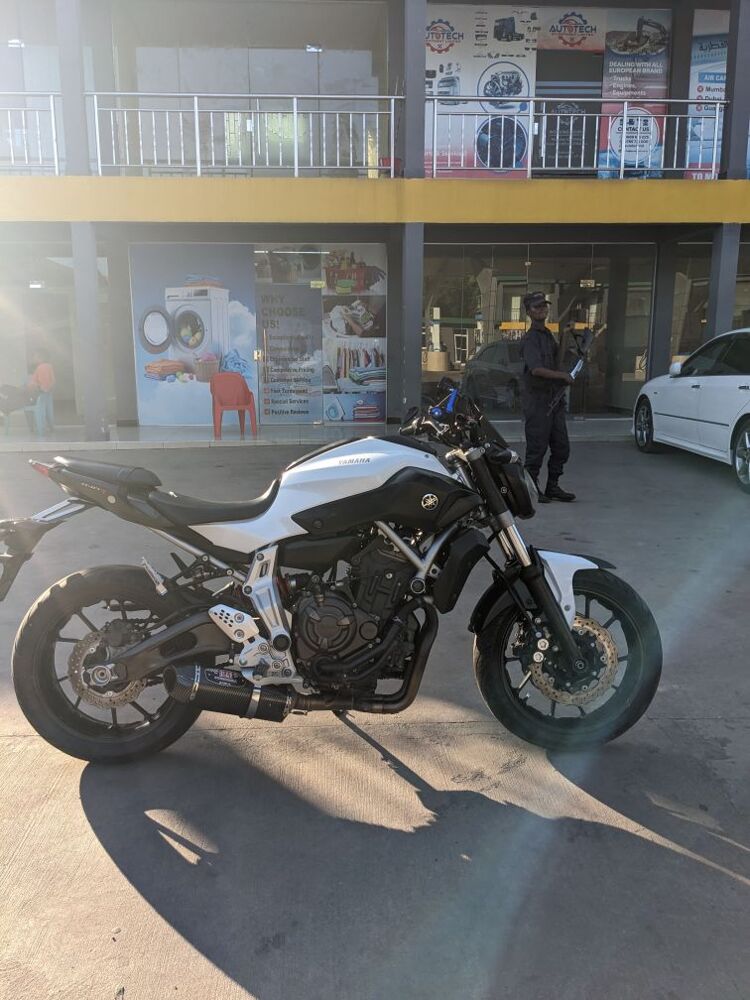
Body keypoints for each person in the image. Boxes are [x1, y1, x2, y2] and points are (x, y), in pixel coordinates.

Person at [519, 291, 575, 503]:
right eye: (537, 306)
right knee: (536, 450)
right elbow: (536, 370)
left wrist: (565, 335)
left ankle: (552, 487)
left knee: (561, 447)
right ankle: (531, 490)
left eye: (544, 305)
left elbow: (557, 361)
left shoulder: (547, 335)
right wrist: (562, 376)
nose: (542, 309)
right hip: (538, 402)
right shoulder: (530, 339)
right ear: (528, 312)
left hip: (555, 400)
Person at [27, 348, 55, 435]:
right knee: (47, 410)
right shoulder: (49, 366)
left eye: (35, 356)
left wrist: (41, 388)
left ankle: (37, 427)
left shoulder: (41, 367)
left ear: (41, 358)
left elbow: (43, 381)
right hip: (46, 392)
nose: (33, 358)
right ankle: (50, 426)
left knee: (38, 409)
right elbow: (52, 380)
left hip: (40, 393)